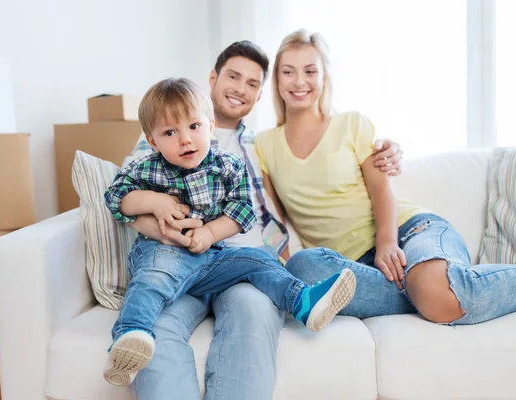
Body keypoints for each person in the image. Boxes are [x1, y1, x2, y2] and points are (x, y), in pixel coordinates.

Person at [122, 41, 403, 400]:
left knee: (252, 317)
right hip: (179, 261)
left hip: (245, 266)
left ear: (259, 97)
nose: (240, 88)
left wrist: (388, 150)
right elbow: (126, 200)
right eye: (233, 76)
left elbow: (325, 162)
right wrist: (164, 230)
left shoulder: (264, 145)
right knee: (153, 327)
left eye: (252, 84)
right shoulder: (164, 131)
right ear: (213, 78)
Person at [103, 77, 356, 386]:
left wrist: (210, 233)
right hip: (164, 251)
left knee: (258, 260)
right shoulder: (148, 167)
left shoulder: (228, 165)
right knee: (152, 278)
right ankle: (131, 335)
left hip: (210, 256)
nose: (185, 140)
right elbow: (115, 197)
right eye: (170, 132)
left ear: (210, 126)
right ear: (153, 141)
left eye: (194, 127)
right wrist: (152, 201)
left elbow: (241, 211)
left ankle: (302, 301)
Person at [257, 28, 516, 326]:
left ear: (324, 77)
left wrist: (387, 244)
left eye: (310, 71)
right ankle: (422, 293)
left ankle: (429, 289)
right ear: (276, 79)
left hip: (410, 231)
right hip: (354, 268)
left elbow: (382, 190)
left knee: (437, 294)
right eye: (288, 72)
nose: (299, 81)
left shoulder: (351, 124)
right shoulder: (264, 146)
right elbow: (273, 220)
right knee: (301, 265)